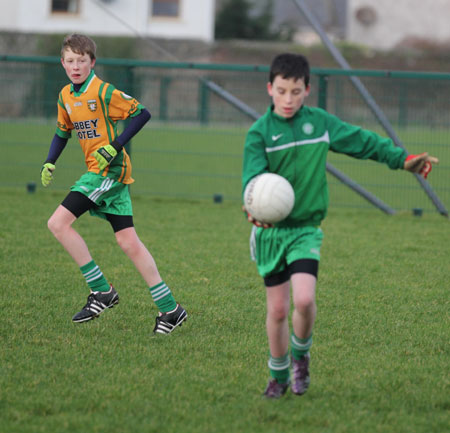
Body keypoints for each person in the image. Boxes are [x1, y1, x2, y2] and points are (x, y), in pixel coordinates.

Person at [242, 53, 438, 398]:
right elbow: (254, 181)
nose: (289, 99)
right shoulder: (259, 133)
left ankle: (300, 357)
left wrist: (403, 160)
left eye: (296, 91)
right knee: (277, 309)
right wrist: (253, 210)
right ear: (270, 88)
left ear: (308, 90)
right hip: (272, 233)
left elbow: (362, 141)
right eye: (283, 91)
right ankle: (279, 376)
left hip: (305, 229)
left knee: (303, 299)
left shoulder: (319, 123)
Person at [40, 33, 187, 334]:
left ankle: (102, 291)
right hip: (100, 172)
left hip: (108, 172)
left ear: (92, 62)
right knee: (128, 242)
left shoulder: (103, 91)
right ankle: (171, 309)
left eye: (82, 60)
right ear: (62, 63)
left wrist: (115, 145)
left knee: (58, 223)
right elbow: (62, 132)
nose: (76, 66)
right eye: (70, 61)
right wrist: (50, 160)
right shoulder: (65, 96)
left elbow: (141, 113)